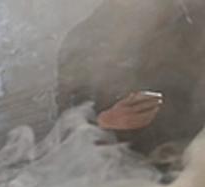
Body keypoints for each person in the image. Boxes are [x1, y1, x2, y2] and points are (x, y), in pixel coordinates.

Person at [56, 0, 205, 169]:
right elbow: (68, 122)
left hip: (193, 157)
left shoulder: (194, 18)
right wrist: (106, 121)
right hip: (130, 169)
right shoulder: (86, 39)